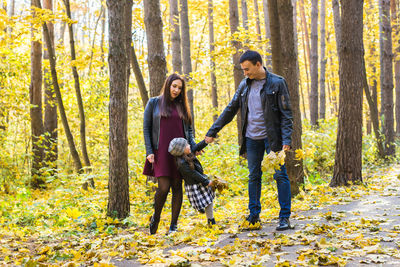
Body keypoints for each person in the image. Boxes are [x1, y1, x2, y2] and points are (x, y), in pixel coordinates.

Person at [205, 50, 293, 231]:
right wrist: (213, 131)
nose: (245, 73)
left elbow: (286, 114)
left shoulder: (277, 83)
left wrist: (286, 139)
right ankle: (254, 216)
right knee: (254, 176)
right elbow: (230, 109)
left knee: (280, 175)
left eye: (247, 69)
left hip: (273, 139)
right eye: (243, 70)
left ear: (258, 64)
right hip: (252, 139)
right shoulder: (244, 86)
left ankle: (284, 218)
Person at [143, 73, 195, 235]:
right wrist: (149, 151)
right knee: (163, 188)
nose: (176, 90)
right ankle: (156, 217)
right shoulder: (154, 103)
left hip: (179, 152)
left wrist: (192, 147)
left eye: (180, 88)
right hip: (160, 152)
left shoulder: (182, 106)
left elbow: (190, 130)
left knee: (177, 187)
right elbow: (146, 128)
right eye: (174, 86)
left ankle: (173, 225)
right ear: (168, 85)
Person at [168, 137, 216, 225]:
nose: (189, 145)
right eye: (187, 145)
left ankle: (211, 219)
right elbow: (193, 174)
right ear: (181, 150)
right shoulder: (182, 164)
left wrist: (205, 141)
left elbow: (197, 147)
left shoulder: (188, 153)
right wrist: (206, 182)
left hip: (200, 181)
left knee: (209, 200)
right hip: (195, 185)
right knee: (205, 202)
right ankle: (201, 208)